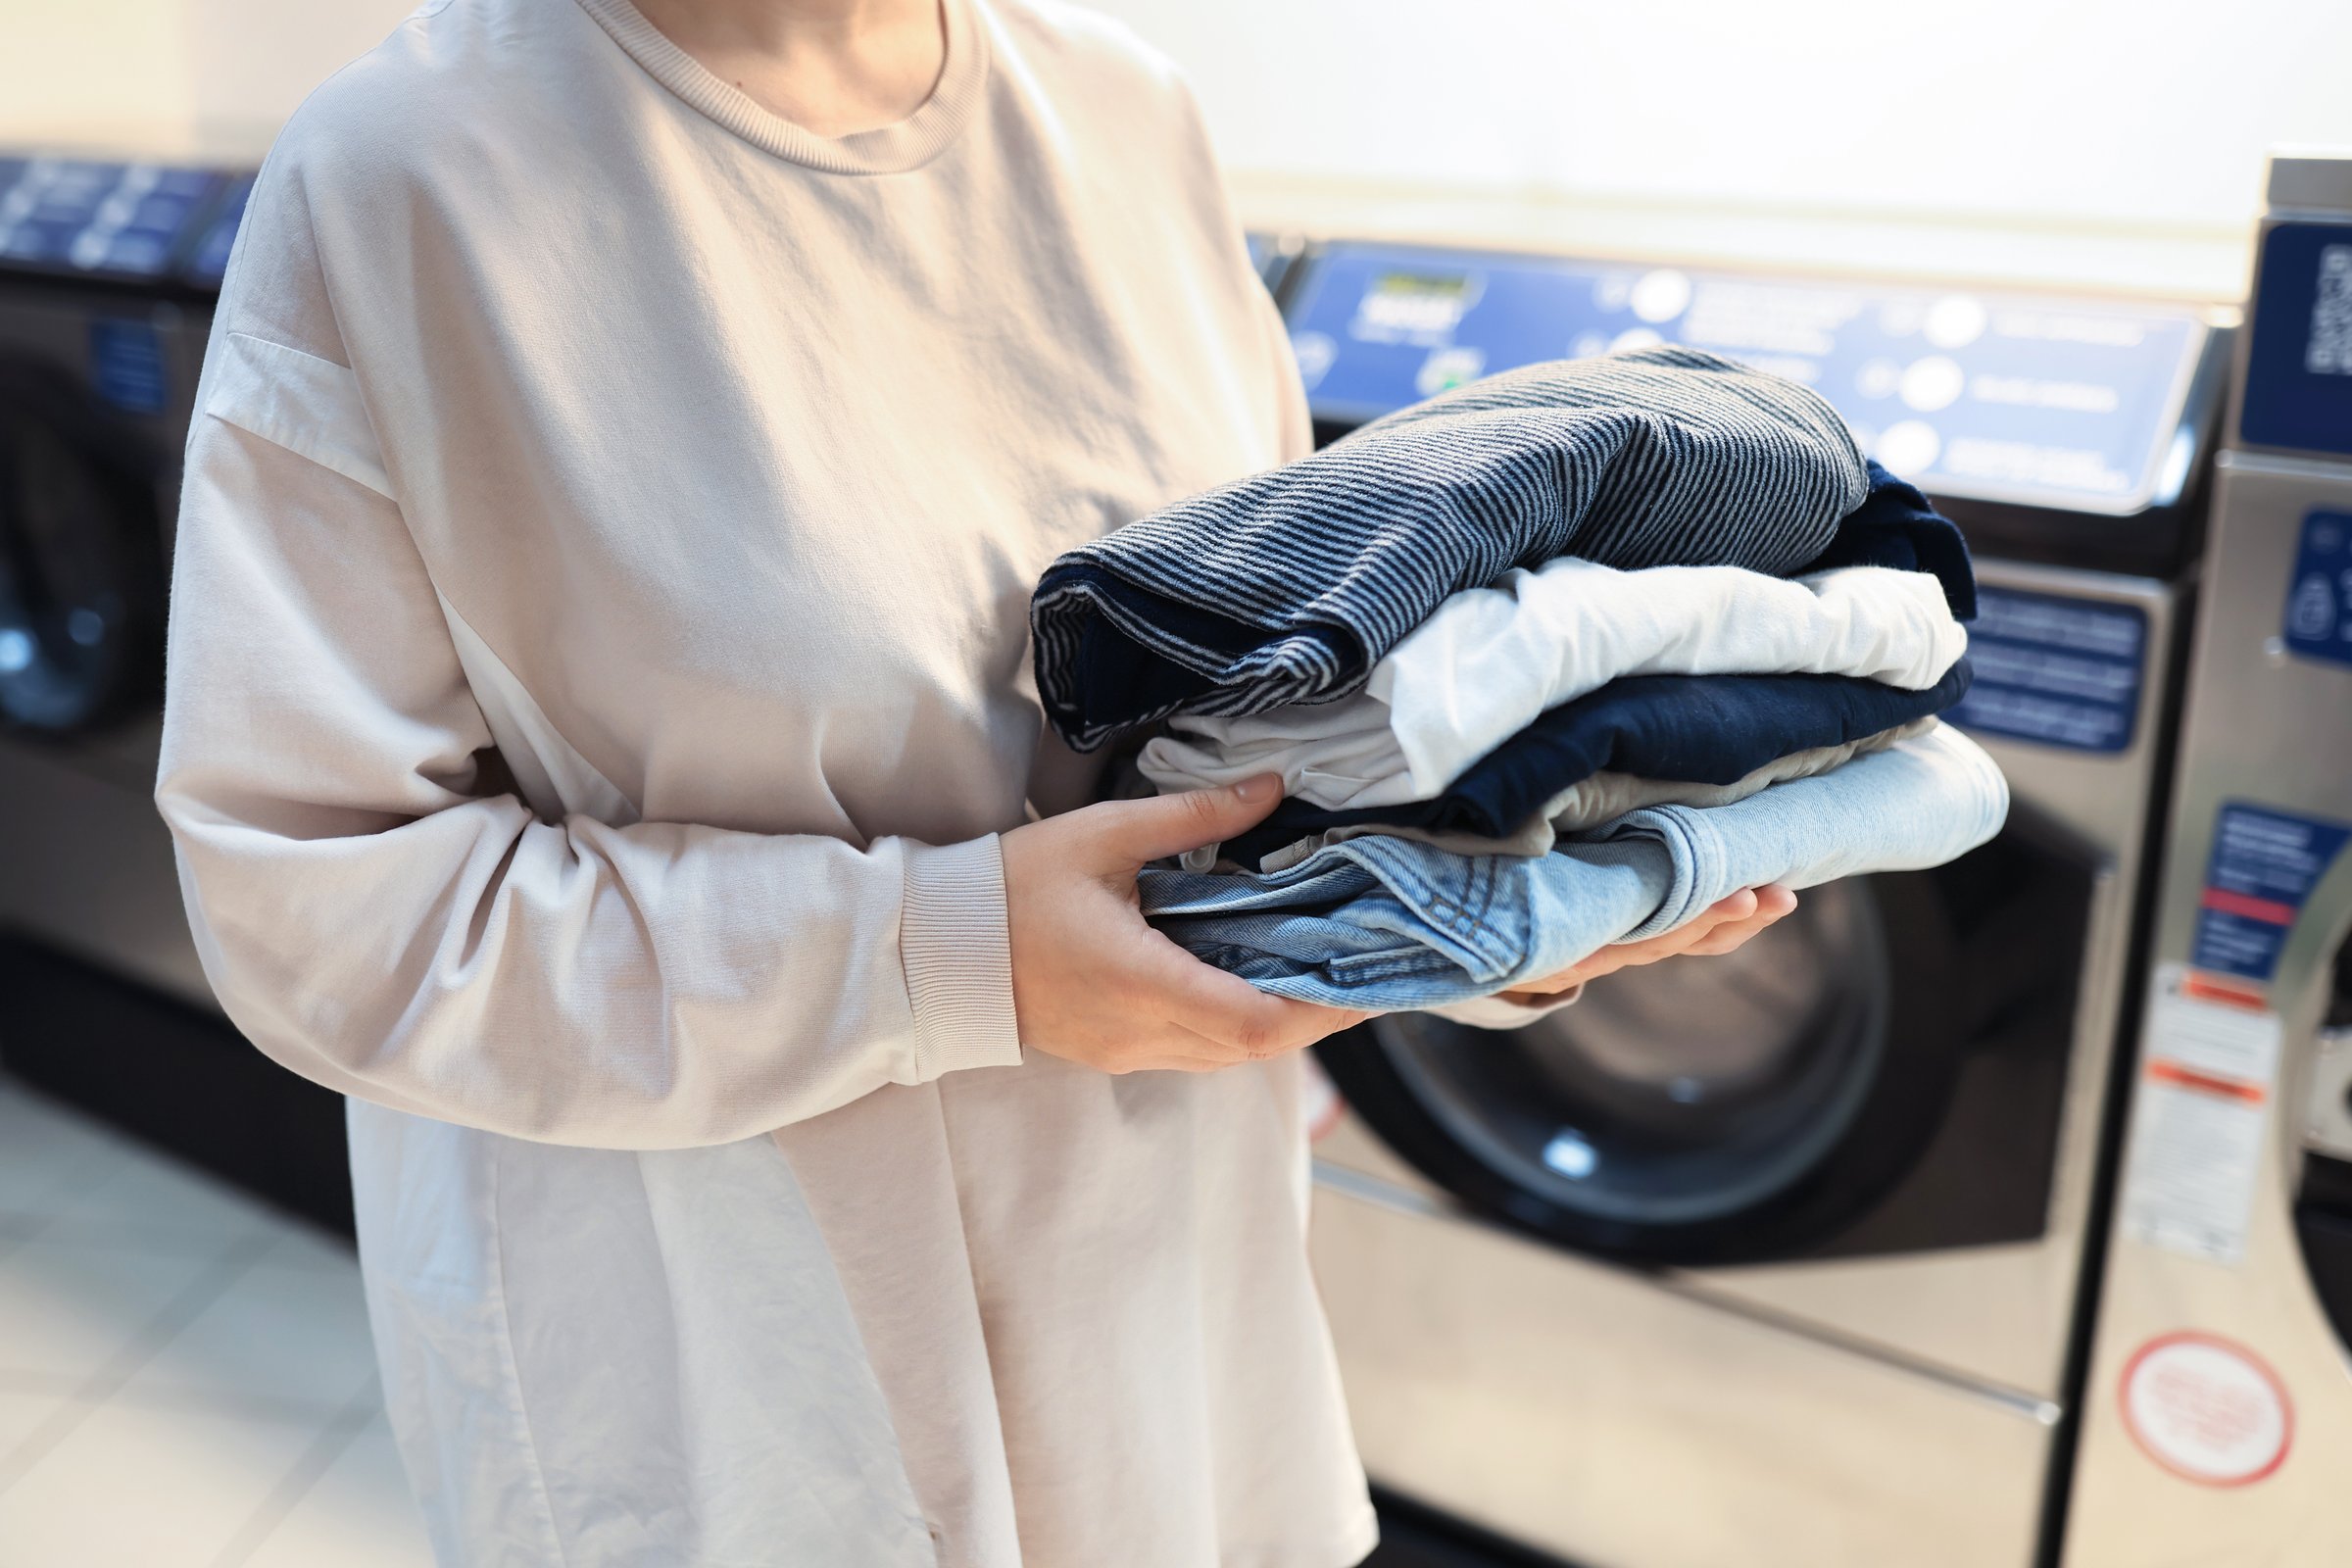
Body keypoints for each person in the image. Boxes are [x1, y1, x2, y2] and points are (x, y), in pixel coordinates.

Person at [155, 0, 1795, 1561]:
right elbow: (321, 910)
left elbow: (1276, 708)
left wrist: (1480, 899)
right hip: (749, 1383)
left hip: (1161, 1312)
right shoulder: (404, 175)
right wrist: (944, 956)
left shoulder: (1122, 112)